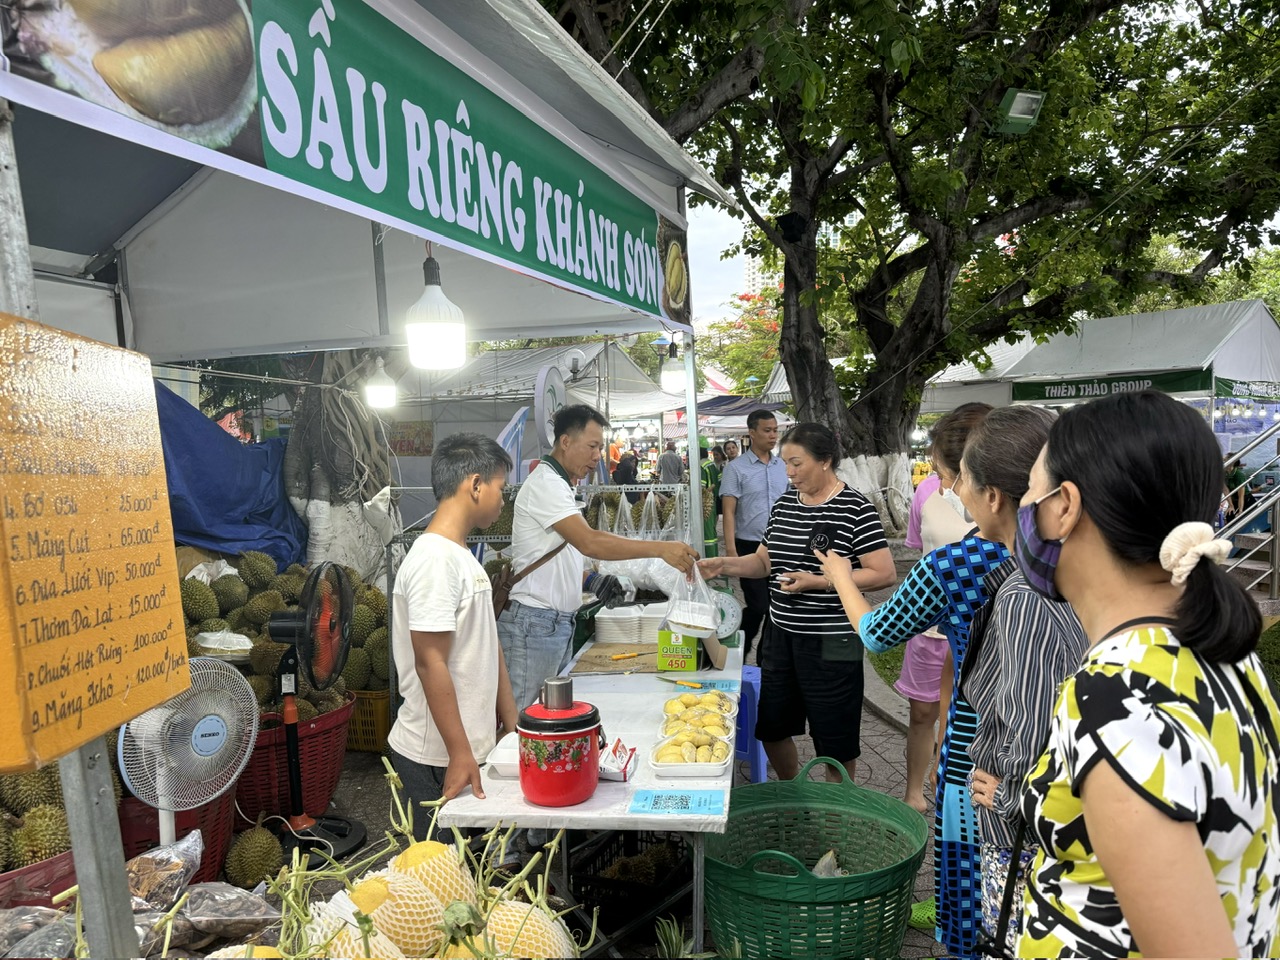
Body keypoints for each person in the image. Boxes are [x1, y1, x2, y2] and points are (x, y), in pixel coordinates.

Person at [1015, 390, 1280, 958]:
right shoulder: (1225, 649)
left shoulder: (1117, 697)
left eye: (1031, 491)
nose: (1024, 509)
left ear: (1064, 507)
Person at [815, 402, 1007, 960]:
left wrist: (839, 576)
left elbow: (876, 632)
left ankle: (961, 932)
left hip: (978, 727)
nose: (951, 491)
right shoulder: (1062, 552)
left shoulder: (958, 563)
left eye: (955, 481)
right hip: (1040, 723)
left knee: (968, 844)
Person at [940, 407, 1089, 955]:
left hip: (1028, 841)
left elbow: (1031, 734)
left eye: (962, 480)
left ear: (994, 496)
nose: (956, 492)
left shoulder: (1026, 596)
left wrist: (1006, 800)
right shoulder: (1042, 578)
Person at [700, 422, 895, 782]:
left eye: (796, 464)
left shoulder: (855, 508)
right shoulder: (786, 504)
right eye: (785, 464)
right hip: (781, 635)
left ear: (825, 460)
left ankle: (836, 808)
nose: (788, 473)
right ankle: (795, 793)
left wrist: (821, 582)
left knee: (835, 739)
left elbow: (882, 572)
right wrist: (724, 564)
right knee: (772, 727)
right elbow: (763, 562)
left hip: (835, 639)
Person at [498, 404, 698, 713]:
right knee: (526, 718)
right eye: (592, 446)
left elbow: (553, 555)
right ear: (566, 442)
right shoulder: (547, 484)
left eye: (600, 448)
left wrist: (591, 579)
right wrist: (660, 548)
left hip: (550, 624)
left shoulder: (561, 486)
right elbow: (589, 542)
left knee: (549, 715)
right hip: (533, 625)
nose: (597, 456)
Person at [387, 433, 518, 837]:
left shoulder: (460, 554)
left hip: (465, 748)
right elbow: (430, 661)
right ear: (475, 485)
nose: (502, 499)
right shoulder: (434, 561)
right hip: (436, 755)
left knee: (469, 870)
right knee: (441, 874)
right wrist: (460, 752)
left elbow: (487, 641)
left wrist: (511, 720)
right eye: (500, 488)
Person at [897, 405, 990, 816]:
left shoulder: (1002, 519)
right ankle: (916, 788)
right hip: (930, 627)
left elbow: (874, 630)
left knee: (967, 715)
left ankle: (952, 780)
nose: (940, 483)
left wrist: (840, 578)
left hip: (979, 633)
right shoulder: (925, 493)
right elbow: (921, 556)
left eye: (942, 470)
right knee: (924, 710)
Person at [719, 410, 788, 657]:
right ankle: (741, 647)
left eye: (775, 430)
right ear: (752, 432)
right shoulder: (736, 469)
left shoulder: (783, 466)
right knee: (759, 605)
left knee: (778, 606)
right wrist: (731, 553)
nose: (773, 436)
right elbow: (728, 512)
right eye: (767, 430)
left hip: (781, 546)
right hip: (748, 546)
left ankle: (764, 657)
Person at [699, 446, 722, 557]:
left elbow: (702, 488)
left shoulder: (701, 466)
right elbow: (718, 480)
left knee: (707, 533)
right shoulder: (711, 464)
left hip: (705, 503)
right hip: (713, 502)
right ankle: (714, 556)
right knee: (712, 531)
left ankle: (709, 558)